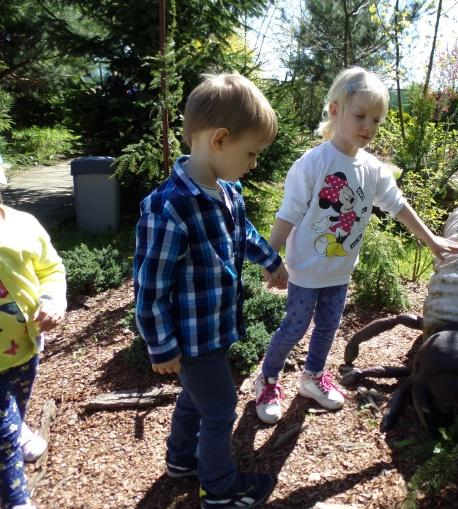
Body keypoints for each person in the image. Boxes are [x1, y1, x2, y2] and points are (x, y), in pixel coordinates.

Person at [254, 66, 458, 425]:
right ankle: (268, 380)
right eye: (360, 115)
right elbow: (288, 214)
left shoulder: (374, 169)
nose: (369, 126)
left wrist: (431, 242)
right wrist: (270, 258)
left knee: (327, 327)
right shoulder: (312, 164)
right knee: (294, 327)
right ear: (335, 111)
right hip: (304, 271)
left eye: (377, 120)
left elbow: (398, 206)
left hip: (339, 271)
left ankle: (312, 378)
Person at [134, 73, 287, 509]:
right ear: (220, 139)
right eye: (252, 153)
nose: (254, 163)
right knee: (220, 410)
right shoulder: (168, 209)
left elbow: (246, 235)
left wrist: (272, 261)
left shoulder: (227, 191)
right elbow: (149, 289)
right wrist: (161, 346)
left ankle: (181, 459)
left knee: (196, 396)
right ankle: (220, 490)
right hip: (190, 338)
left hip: (216, 327)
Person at [0, 164, 67, 509]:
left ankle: (18, 423)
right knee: (3, 436)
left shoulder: (23, 225)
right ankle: (15, 499)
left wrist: (53, 301)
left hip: (24, 347)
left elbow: (50, 269)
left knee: (17, 399)